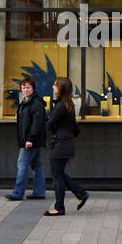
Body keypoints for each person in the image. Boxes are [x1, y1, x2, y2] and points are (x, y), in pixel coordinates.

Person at [44, 76, 89, 216]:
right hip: (66, 143)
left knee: (57, 176)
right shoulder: (69, 104)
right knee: (59, 174)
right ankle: (81, 194)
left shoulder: (60, 106)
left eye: (55, 85)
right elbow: (73, 127)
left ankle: (59, 207)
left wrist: (48, 121)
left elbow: (49, 125)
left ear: (61, 88)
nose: (53, 87)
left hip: (60, 145)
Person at [5, 77, 46, 201]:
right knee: (37, 165)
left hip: (31, 140)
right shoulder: (25, 101)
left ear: (33, 89)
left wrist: (30, 139)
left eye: (28, 87)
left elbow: (36, 124)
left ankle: (18, 193)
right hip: (30, 139)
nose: (25, 89)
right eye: (23, 87)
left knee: (22, 164)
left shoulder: (36, 104)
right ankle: (39, 192)